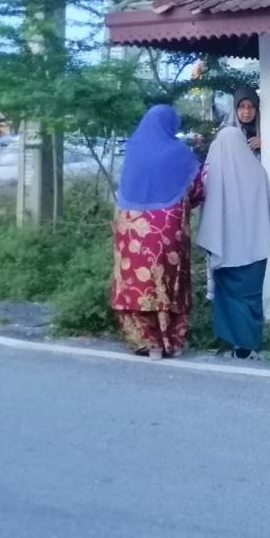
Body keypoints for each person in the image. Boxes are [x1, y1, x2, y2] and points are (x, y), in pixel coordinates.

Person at [109, 105, 204, 359]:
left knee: (134, 280)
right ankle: (169, 339)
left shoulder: (133, 149)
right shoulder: (180, 153)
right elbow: (198, 189)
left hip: (129, 227)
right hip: (166, 229)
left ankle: (144, 340)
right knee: (167, 280)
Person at [199, 126, 270, 360]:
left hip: (228, 249)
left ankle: (240, 346)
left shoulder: (215, 175)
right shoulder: (258, 171)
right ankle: (250, 344)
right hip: (256, 249)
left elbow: (210, 212)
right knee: (251, 298)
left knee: (231, 298)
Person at [224, 86, 261, 154]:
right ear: (235, 109)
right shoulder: (225, 133)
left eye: (251, 106)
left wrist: (266, 145)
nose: (247, 111)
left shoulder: (266, 130)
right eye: (242, 106)